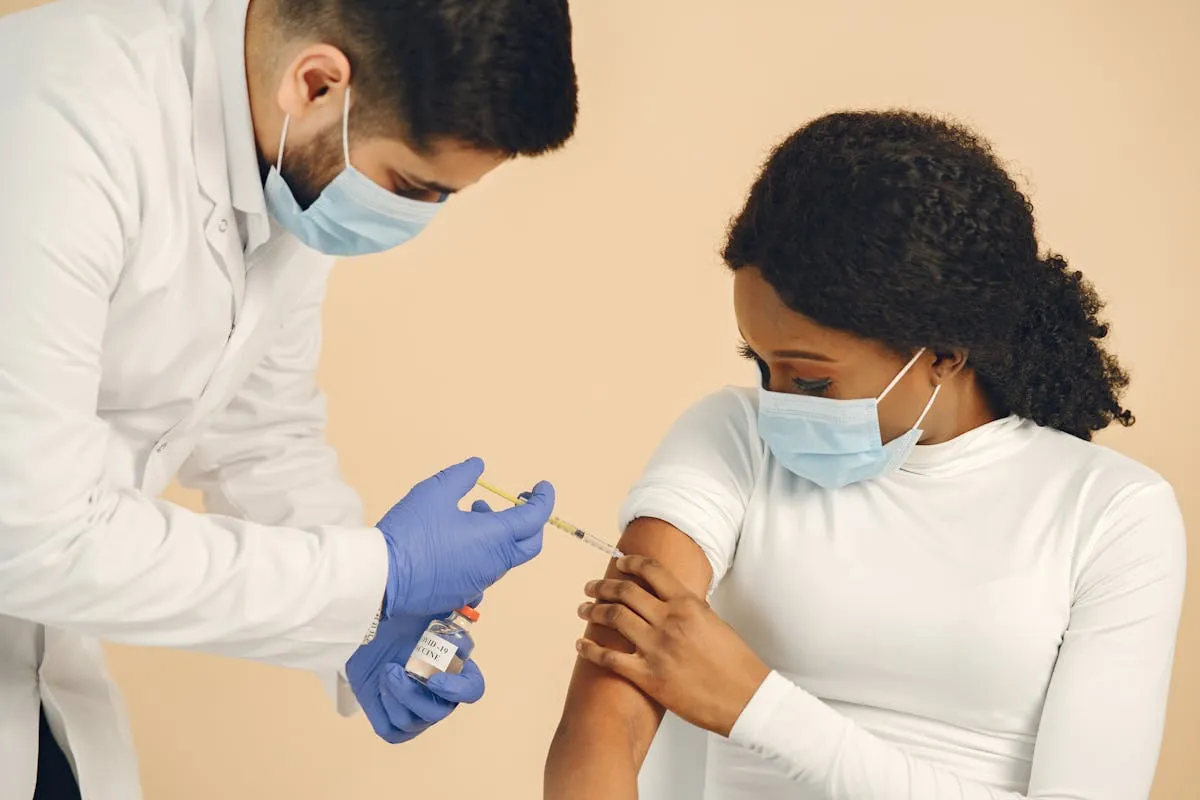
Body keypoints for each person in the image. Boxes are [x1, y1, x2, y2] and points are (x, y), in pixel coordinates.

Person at [0, 0, 577, 796]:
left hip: (33, 668)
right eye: (411, 185)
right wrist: (374, 576)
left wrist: (363, 630)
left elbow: (257, 436)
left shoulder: (289, 158)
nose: (419, 218)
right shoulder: (60, 122)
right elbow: (32, 534)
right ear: (316, 84)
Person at [545, 111, 1187, 800]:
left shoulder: (1113, 513)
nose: (777, 401)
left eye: (810, 379)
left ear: (942, 352)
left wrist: (759, 706)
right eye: (760, 364)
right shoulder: (730, 437)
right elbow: (599, 732)